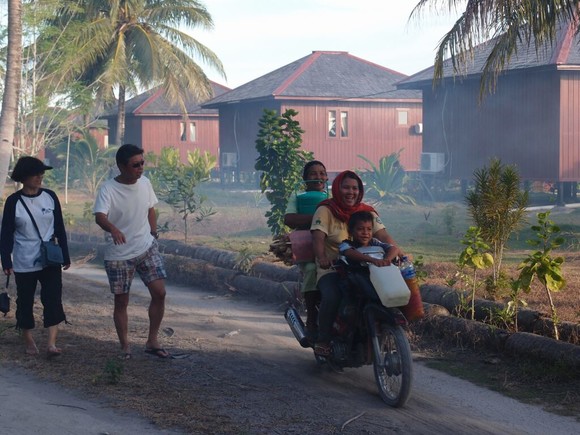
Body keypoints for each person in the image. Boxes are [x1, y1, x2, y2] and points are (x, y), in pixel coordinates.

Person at [311, 170, 404, 356]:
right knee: (333, 296)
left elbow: (384, 236)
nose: (350, 192)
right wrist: (322, 257)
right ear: (337, 188)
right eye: (346, 187)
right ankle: (323, 340)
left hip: (368, 269)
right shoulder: (325, 210)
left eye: (355, 188)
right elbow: (318, 238)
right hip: (334, 269)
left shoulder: (367, 212)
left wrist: (397, 252)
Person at [93, 144, 169, 359]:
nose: (141, 168)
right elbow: (100, 216)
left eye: (142, 163)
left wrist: (153, 233)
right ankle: (125, 345)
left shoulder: (145, 183)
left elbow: (150, 208)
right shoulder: (108, 189)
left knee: (160, 293)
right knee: (121, 302)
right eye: (136, 165)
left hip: (146, 246)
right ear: (121, 166)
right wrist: (113, 229)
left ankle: (152, 341)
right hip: (119, 254)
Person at [0, 156, 70, 357]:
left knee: (53, 298)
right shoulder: (14, 201)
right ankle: (28, 340)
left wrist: (65, 256)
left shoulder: (50, 196)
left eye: (42, 173)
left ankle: (51, 343)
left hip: (50, 259)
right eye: (35, 174)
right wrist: (6, 260)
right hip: (24, 259)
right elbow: (6, 234)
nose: (40, 177)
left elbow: (59, 227)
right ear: (23, 177)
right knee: (25, 301)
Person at [284, 160, 328, 340]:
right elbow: (289, 219)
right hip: (307, 245)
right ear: (305, 178)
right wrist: (319, 217)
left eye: (322, 173)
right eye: (313, 174)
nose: (318, 177)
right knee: (312, 270)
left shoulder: (332, 196)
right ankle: (311, 317)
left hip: (330, 244)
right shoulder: (298, 196)